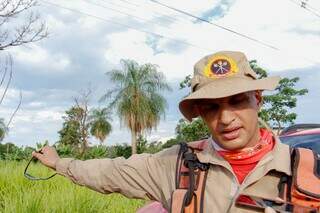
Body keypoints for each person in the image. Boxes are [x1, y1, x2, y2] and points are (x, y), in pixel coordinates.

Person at [32, 51, 292, 212]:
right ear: (200, 112)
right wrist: (58, 163)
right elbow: (110, 172)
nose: (225, 118)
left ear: (257, 98)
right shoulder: (176, 164)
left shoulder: (305, 170)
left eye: (237, 101)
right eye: (211, 107)